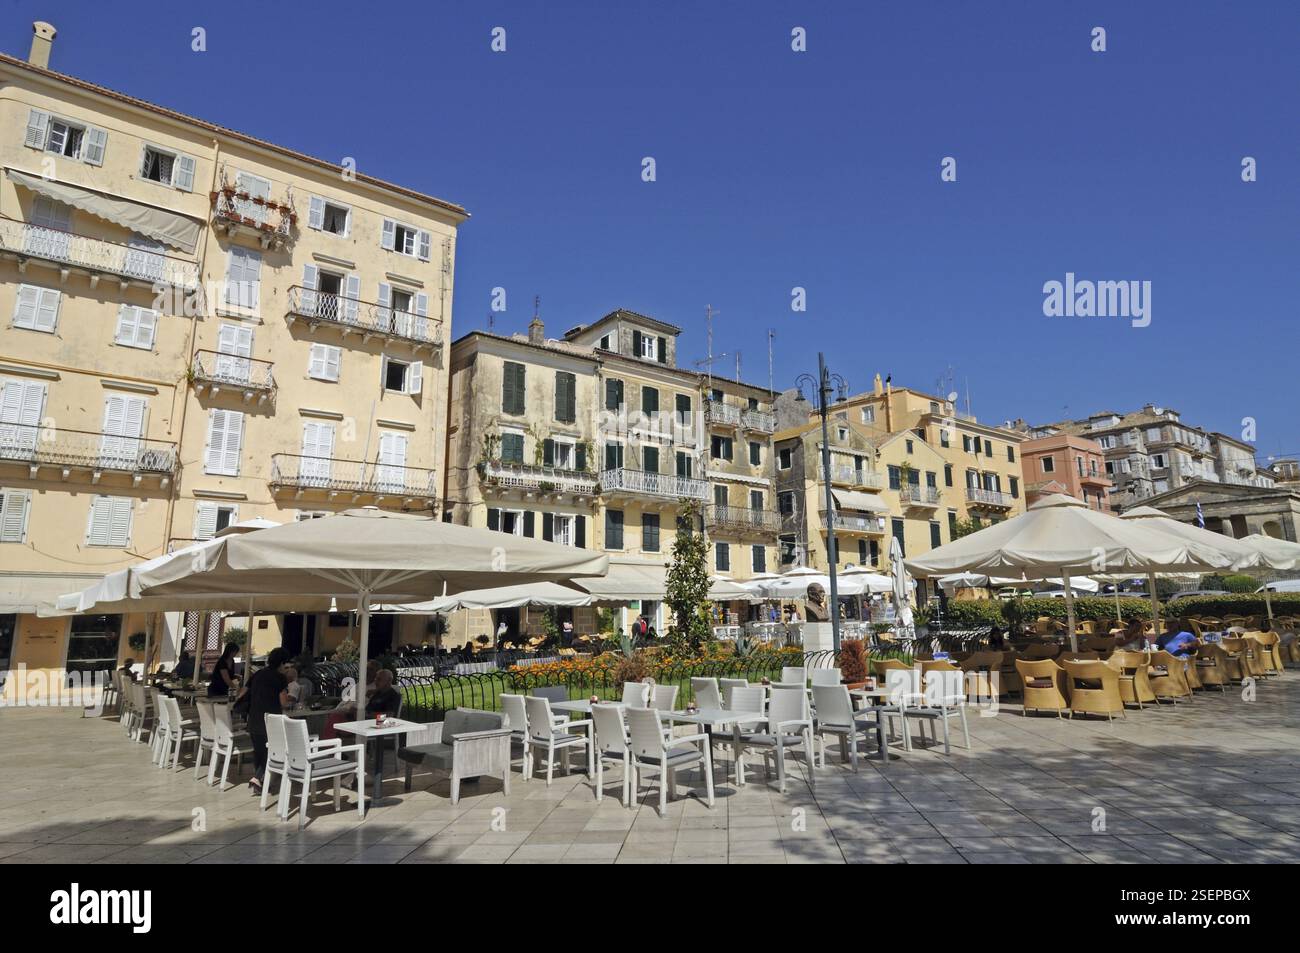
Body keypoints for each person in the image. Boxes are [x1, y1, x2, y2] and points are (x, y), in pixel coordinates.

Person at [244, 648, 292, 796]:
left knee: (259, 751)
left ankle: (260, 783)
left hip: (253, 717)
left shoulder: (258, 674)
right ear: (282, 663)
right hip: (271, 720)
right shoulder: (280, 678)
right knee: (272, 751)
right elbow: (283, 702)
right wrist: (291, 702)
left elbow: (243, 691)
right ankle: (257, 778)